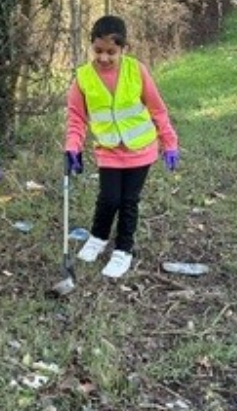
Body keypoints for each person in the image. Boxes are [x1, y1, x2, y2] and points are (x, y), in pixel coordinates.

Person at [65, 15, 180, 280]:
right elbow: (76, 118)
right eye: (98, 51)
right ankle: (98, 236)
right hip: (109, 151)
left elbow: (157, 109)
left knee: (129, 201)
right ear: (91, 46)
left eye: (111, 52)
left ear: (124, 49)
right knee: (108, 198)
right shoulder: (83, 77)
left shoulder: (136, 70)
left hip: (141, 150)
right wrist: (73, 146)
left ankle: (124, 249)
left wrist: (169, 143)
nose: (104, 58)